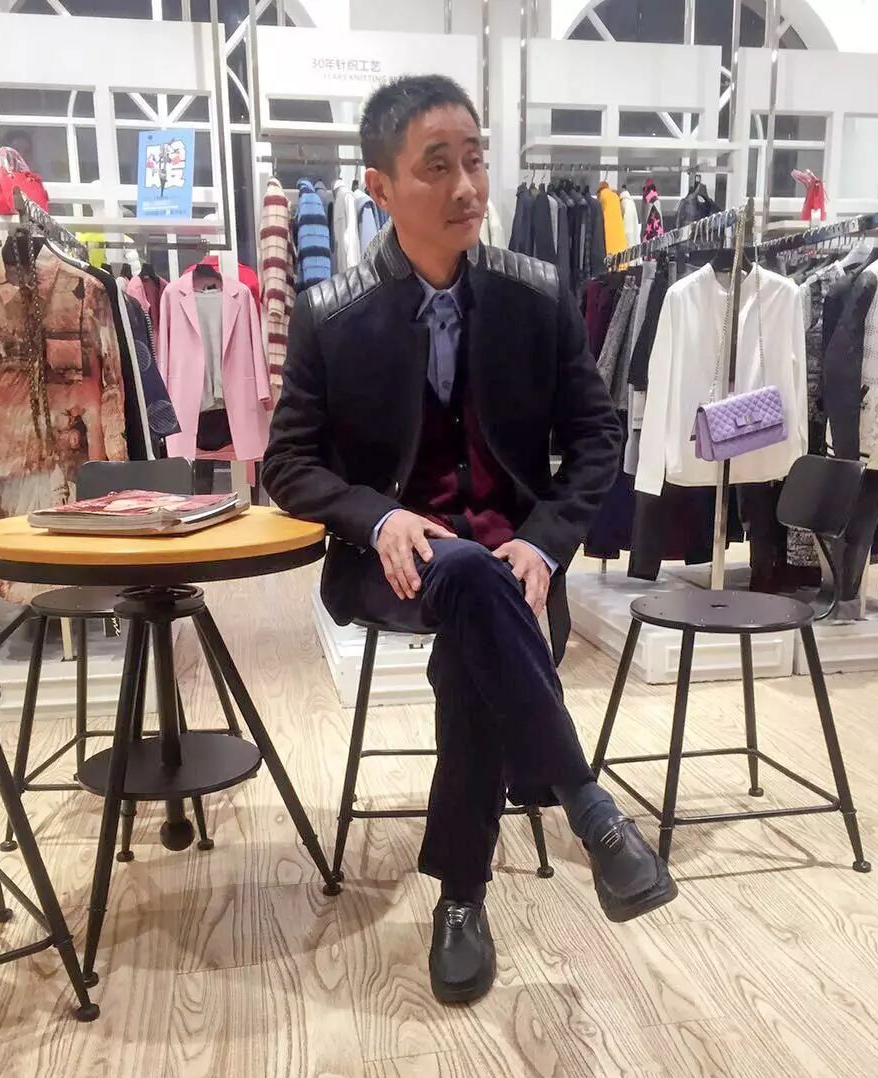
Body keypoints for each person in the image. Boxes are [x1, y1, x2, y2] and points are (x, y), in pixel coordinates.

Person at [263, 75, 677, 1005]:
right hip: (388, 563)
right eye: (437, 167)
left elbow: (598, 435)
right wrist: (378, 516)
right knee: (468, 588)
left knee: (474, 637)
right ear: (379, 187)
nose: (466, 188)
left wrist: (545, 543)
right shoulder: (332, 314)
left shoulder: (537, 295)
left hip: (514, 564)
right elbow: (285, 463)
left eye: (476, 161)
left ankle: (462, 897)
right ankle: (588, 808)